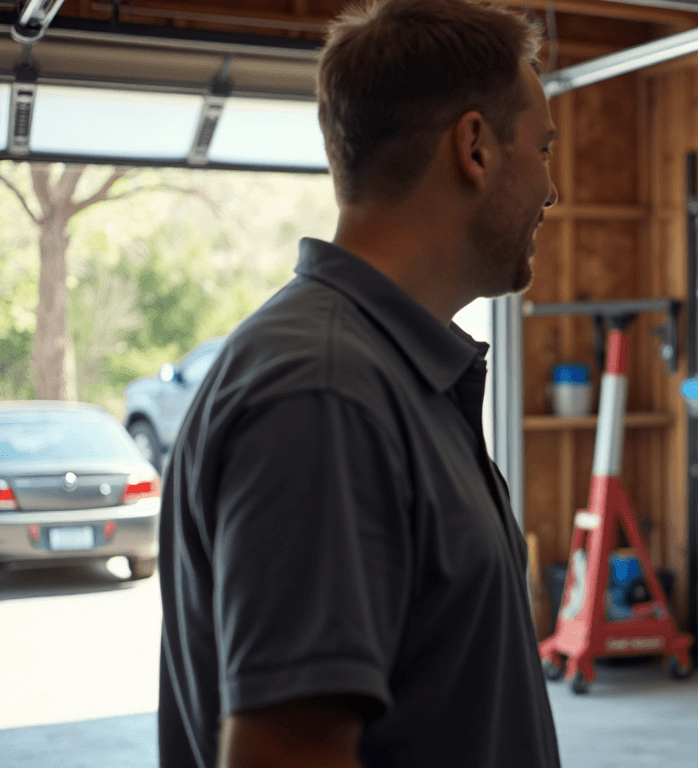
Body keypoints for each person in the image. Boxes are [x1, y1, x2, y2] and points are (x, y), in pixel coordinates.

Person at [157, 1, 560, 766]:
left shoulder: (384, 371)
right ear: (474, 147)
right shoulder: (327, 396)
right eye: (541, 148)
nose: (550, 188)